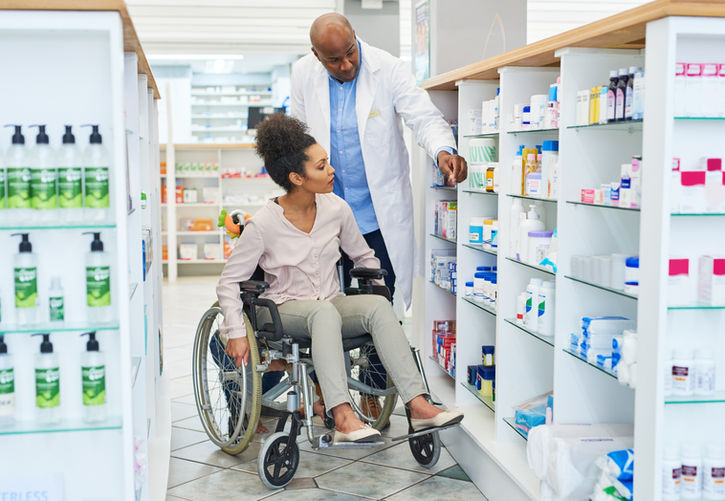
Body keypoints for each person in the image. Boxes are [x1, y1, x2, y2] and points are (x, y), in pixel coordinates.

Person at [216, 114, 463, 443]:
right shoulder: (262, 224)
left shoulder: (336, 208)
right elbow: (228, 283)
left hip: (330, 305)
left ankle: (418, 406)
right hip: (281, 310)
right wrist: (235, 331)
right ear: (297, 177)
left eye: (328, 163)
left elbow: (363, 256)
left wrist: (374, 286)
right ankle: (342, 416)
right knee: (322, 312)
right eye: (321, 166)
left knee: (375, 306)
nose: (331, 170)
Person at [290, 12, 468, 415]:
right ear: (317, 57)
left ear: (356, 39)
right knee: (323, 306)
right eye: (334, 60)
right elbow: (299, 137)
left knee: (377, 304)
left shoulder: (387, 68)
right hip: (324, 219)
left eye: (350, 53)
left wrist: (443, 149)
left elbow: (422, 116)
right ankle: (325, 395)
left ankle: (373, 394)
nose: (346, 65)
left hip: (376, 219)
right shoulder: (303, 74)